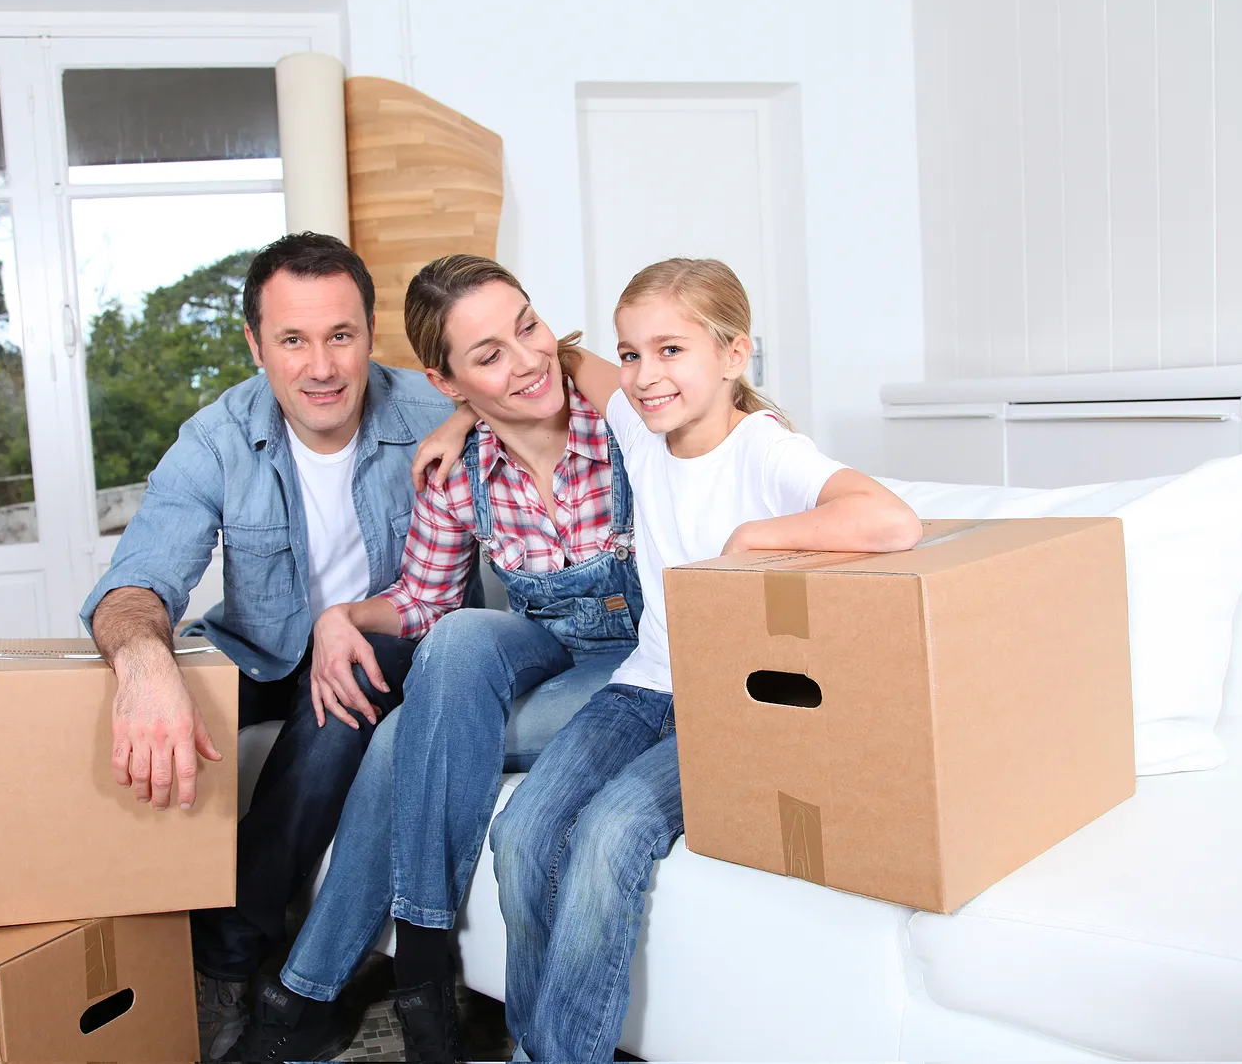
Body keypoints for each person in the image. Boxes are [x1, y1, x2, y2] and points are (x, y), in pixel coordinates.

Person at [489, 258, 922, 1061]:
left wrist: (753, 540)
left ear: (734, 355)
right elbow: (571, 360)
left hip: (727, 708)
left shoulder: (763, 450)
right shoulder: (641, 427)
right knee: (520, 832)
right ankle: (535, 1045)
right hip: (642, 687)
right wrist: (459, 424)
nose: (646, 376)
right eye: (633, 354)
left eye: (670, 350)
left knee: (611, 832)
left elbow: (893, 522)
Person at [232, 255, 642, 1063]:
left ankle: (336, 983)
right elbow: (421, 602)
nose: (525, 360)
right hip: (549, 651)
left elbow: (637, 376)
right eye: (488, 354)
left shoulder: (621, 422)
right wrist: (340, 617)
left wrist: (516, 376)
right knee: (455, 635)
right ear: (445, 379)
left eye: (528, 327)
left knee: (397, 737)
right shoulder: (459, 476)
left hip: (641, 660)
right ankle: (409, 975)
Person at [79, 232, 462, 1061]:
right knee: (117, 691)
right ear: (256, 344)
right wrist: (146, 664)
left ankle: (227, 954)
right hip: (257, 651)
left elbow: (554, 390)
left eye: (340, 335)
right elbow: (137, 577)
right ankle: (112, 939)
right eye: (293, 339)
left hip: (387, 648)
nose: (321, 366)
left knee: (351, 685)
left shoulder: (437, 417)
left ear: (370, 335)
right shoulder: (217, 436)